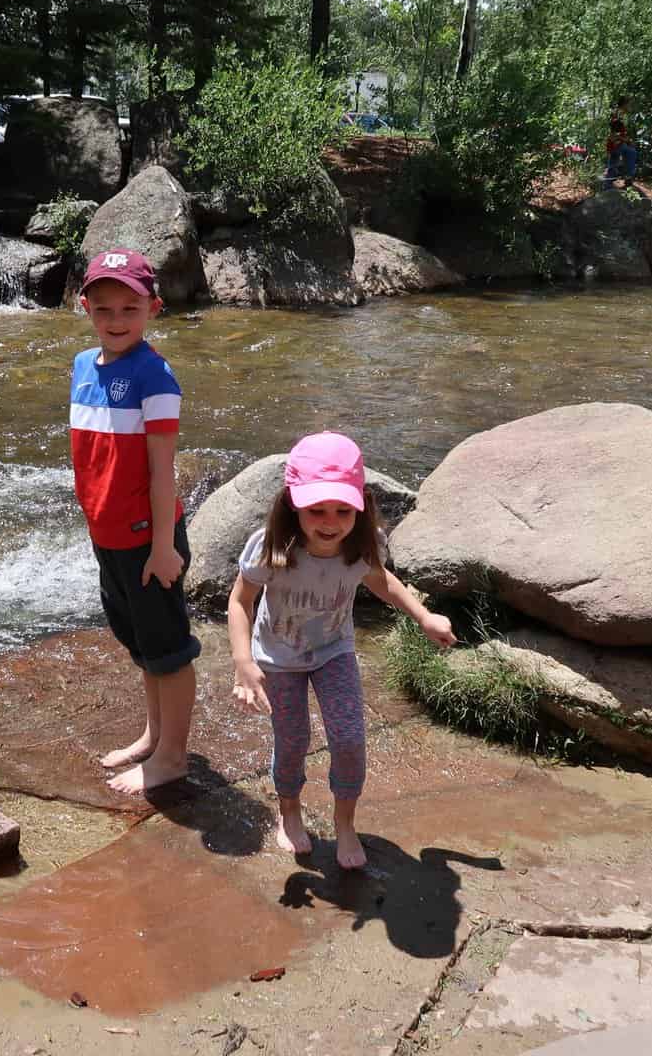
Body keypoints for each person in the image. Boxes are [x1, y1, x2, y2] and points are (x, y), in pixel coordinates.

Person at [227, 432, 457, 869]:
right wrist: (243, 662)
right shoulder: (273, 546)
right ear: (294, 503)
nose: (330, 521)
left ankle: (345, 822)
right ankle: (289, 810)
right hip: (279, 658)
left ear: (360, 505)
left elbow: (381, 581)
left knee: (350, 740)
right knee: (292, 742)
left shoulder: (362, 544)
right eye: (317, 510)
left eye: (342, 510)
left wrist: (423, 616)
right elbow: (240, 602)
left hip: (334, 651)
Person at [71, 247, 199, 795]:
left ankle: (173, 756)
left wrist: (165, 546)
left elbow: (160, 468)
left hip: (149, 540)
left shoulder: (155, 376)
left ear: (154, 308)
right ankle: (152, 735)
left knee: (168, 649)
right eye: (104, 309)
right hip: (108, 534)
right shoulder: (82, 366)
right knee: (142, 644)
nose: (116, 320)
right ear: (85, 307)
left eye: (130, 308)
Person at [605, 97, 638, 188]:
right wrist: (626, 140)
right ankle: (608, 185)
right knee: (614, 163)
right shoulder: (616, 115)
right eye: (629, 104)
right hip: (615, 144)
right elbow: (613, 134)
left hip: (620, 143)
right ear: (624, 104)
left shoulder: (622, 116)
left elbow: (621, 132)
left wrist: (627, 141)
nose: (630, 106)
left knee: (631, 153)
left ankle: (626, 179)